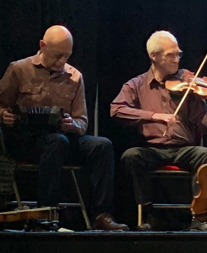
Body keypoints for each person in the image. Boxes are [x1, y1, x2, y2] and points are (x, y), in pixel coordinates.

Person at [0, 25, 127, 230]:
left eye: (66, 56)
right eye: (57, 55)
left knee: (102, 145)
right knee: (56, 142)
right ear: (42, 46)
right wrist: (3, 115)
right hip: (26, 140)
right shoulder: (19, 69)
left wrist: (72, 124)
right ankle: (46, 213)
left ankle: (101, 215)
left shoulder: (75, 77)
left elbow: (82, 122)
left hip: (62, 138)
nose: (61, 61)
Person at [110, 31, 207, 231]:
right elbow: (116, 110)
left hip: (184, 149)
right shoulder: (137, 84)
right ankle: (150, 215)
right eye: (171, 55)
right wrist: (154, 116)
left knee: (205, 155)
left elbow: (204, 125)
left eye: (179, 54)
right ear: (154, 56)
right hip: (152, 149)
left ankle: (200, 219)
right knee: (131, 156)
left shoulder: (188, 83)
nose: (177, 59)